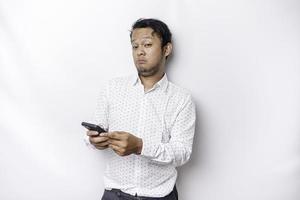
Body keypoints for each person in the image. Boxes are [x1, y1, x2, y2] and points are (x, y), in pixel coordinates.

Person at [85, 18, 196, 200]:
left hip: (160, 195)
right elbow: (93, 133)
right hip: (114, 194)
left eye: (147, 44)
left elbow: (182, 152)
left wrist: (140, 146)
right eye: (135, 46)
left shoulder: (182, 99)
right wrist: (94, 140)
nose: (140, 52)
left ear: (166, 49)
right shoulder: (112, 88)